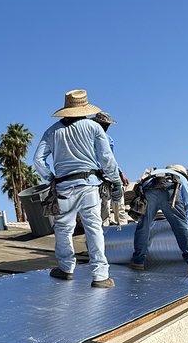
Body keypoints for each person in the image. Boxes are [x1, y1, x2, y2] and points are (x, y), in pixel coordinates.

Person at [34, 89, 123, 289]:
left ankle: (66, 269)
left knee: (64, 229)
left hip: (64, 187)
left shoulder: (51, 131)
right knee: (94, 229)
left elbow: (38, 160)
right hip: (89, 186)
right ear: (85, 108)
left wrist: (51, 178)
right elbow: (107, 160)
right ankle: (100, 276)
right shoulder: (94, 127)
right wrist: (115, 180)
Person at [130, 164, 188, 275]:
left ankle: (138, 261)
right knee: (179, 226)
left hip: (148, 188)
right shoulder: (180, 176)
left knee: (143, 226)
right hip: (170, 189)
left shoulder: (155, 172)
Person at [93, 111, 130, 225]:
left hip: (109, 176)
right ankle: (105, 230)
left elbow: (111, 159)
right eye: (104, 124)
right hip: (98, 177)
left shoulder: (109, 140)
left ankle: (121, 226)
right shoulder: (90, 138)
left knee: (118, 205)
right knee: (104, 206)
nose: (106, 127)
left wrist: (120, 173)